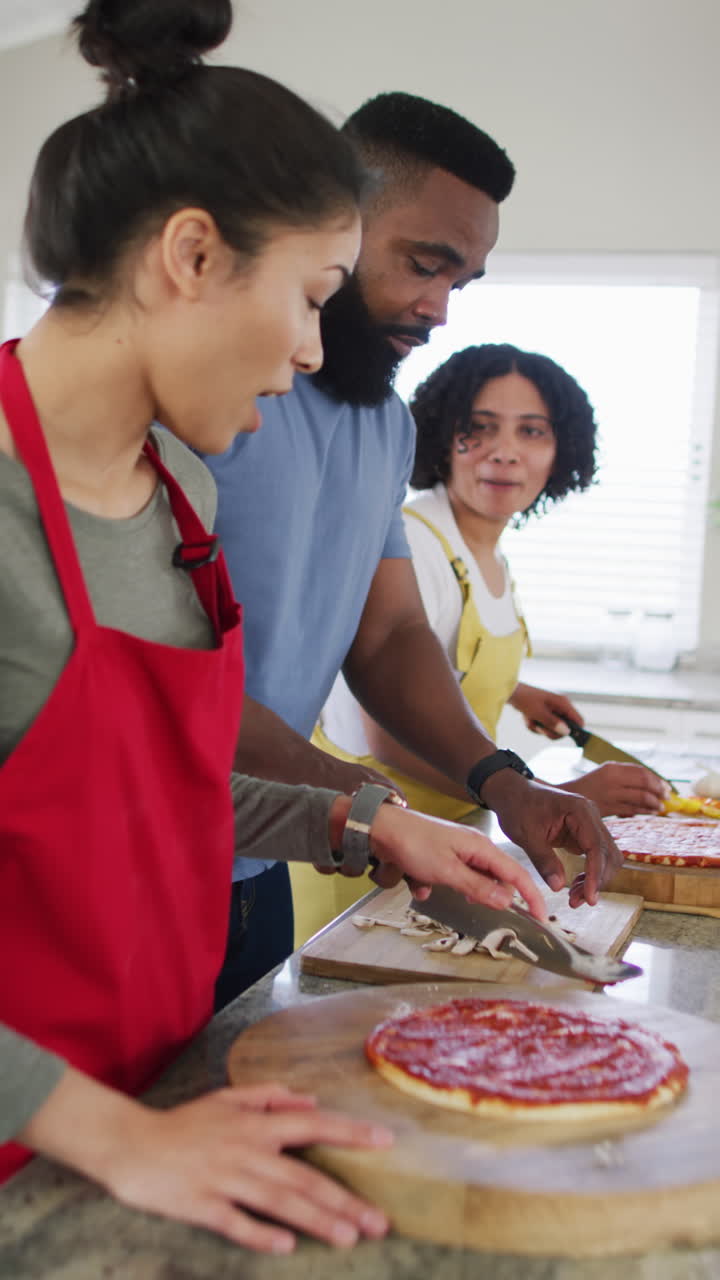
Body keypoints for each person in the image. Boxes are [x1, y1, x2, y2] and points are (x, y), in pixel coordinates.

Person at [0, 1, 548, 1256]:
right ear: (192, 257)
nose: (312, 347)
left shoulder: (177, 494)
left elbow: (159, 785)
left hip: (142, 1105)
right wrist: (115, 1131)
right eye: (308, 296)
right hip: (63, 1127)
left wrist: (365, 821)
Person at [204, 92, 623, 993]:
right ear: (333, 224)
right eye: (422, 266)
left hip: (258, 862)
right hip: (142, 861)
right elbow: (177, 685)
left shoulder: (384, 424)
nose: (437, 312)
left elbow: (389, 635)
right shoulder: (210, 400)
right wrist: (379, 814)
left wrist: (506, 784)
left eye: (458, 284)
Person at [307, 344, 669, 940]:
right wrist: (550, 792)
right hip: (369, 860)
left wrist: (517, 691)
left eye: (532, 431)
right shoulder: (418, 545)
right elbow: (388, 728)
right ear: (442, 439)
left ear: (561, 451)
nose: (505, 451)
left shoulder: (485, 549)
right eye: (478, 429)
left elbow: (449, 660)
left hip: (451, 837)